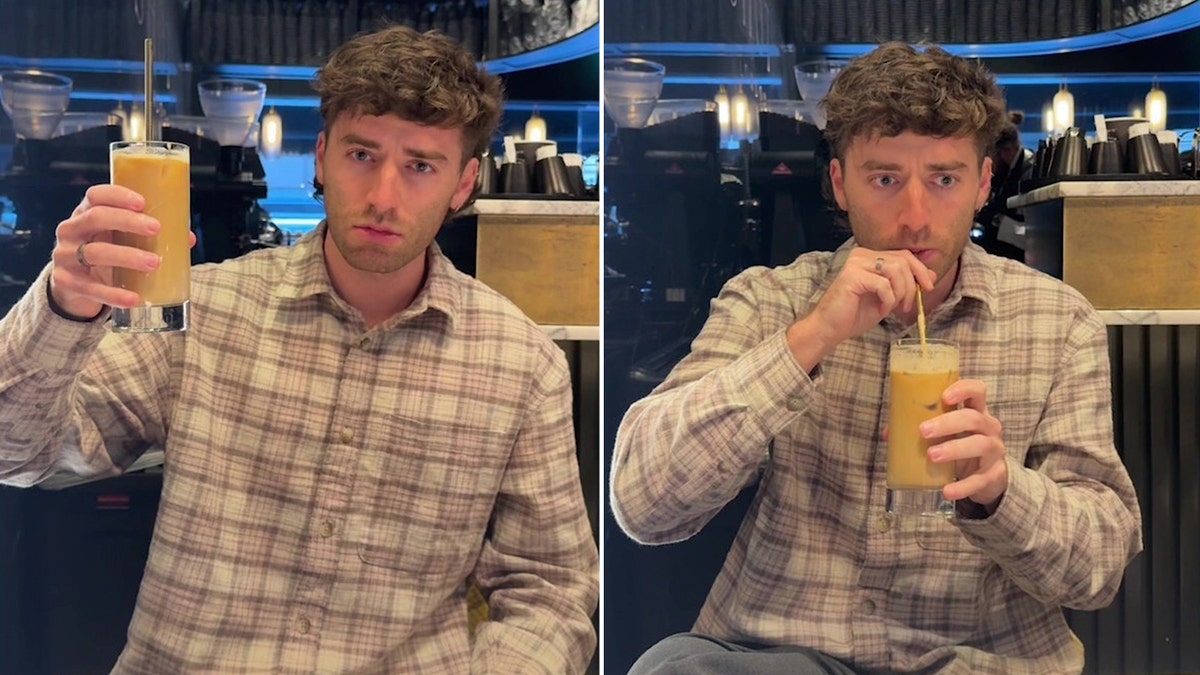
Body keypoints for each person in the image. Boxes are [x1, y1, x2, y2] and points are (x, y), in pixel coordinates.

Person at [0, 25, 598, 674]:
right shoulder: (205, 312)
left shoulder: (521, 363)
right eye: (362, 155)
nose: (384, 195)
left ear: (463, 184)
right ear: (320, 158)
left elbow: (551, 588)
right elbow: (17, 450)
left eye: (421, 165)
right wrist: (62, 305)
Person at [610, 42, 1141, 675]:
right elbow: (643, 505)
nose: (915, 218)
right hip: (783, 651)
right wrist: (808, 340)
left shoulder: (1058, 322)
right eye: (885, 179)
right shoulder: (769, 300)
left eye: (944, 179)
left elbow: (1099, 571)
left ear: (982, 185)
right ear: (840, 184)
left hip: (983, 657)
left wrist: (1002, 492)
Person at [974, 112, 1034, 261]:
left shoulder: (1030, 172)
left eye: (990, 156)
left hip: (1022, 257)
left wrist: (995, 220)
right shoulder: (1007, 173)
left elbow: (1031, 233)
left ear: (1007, 150)